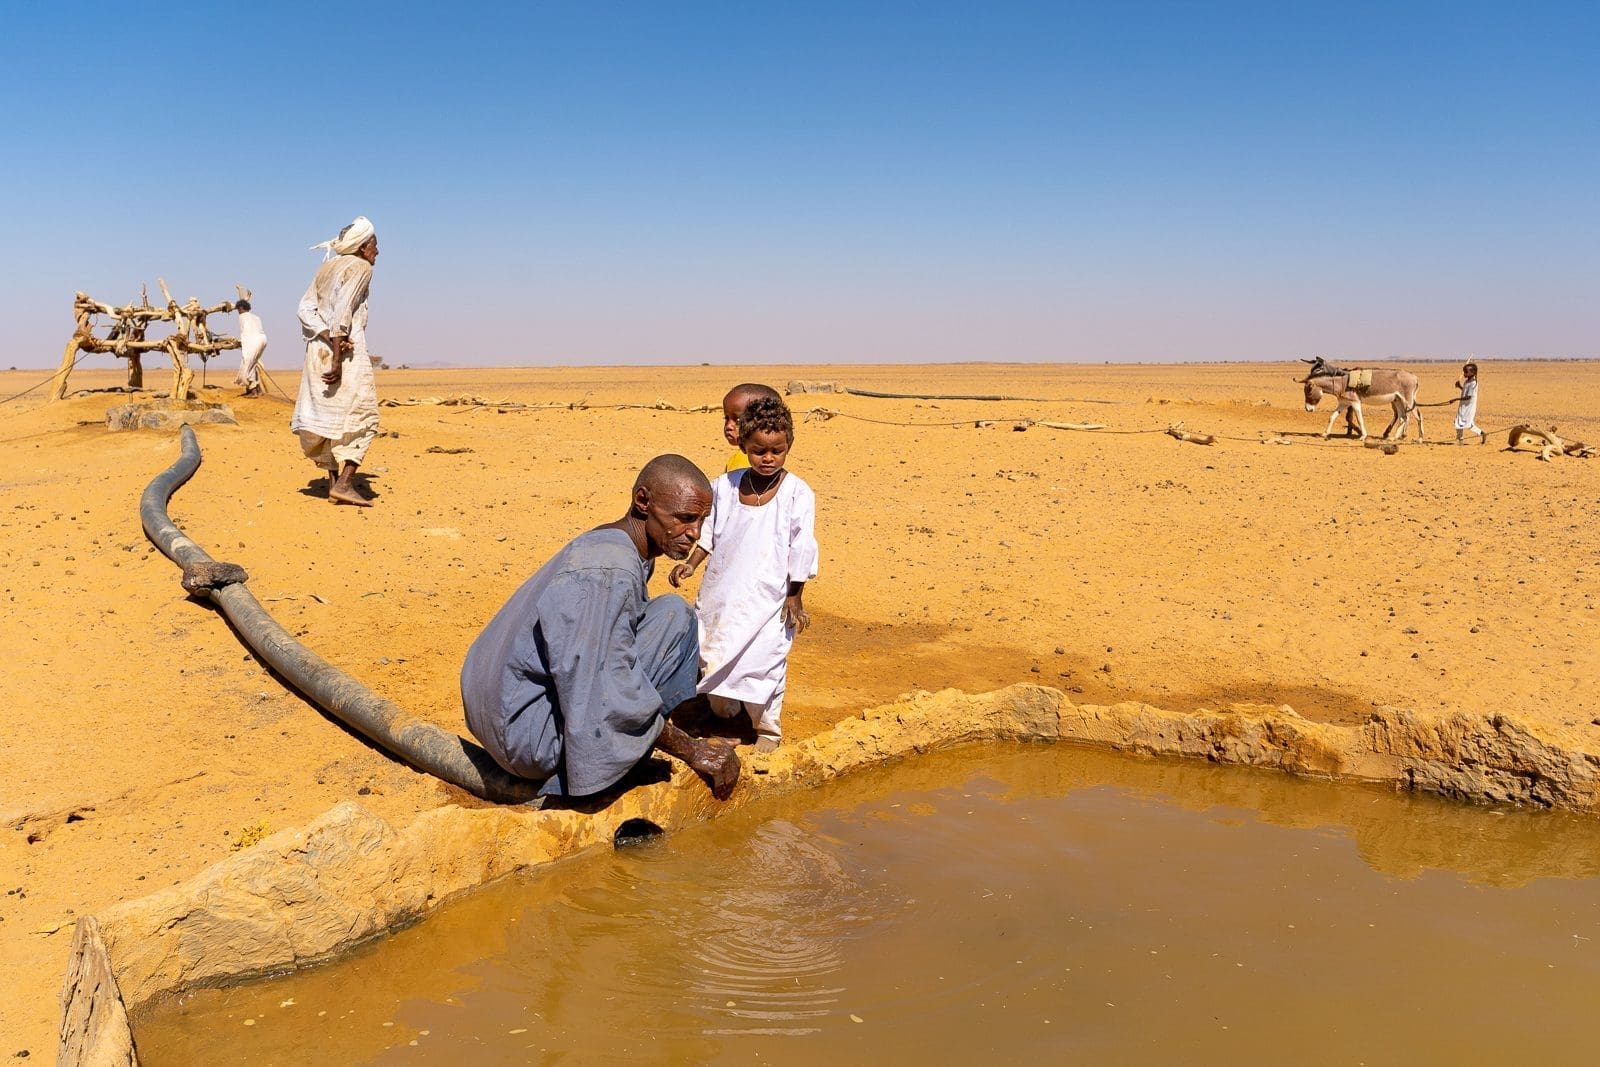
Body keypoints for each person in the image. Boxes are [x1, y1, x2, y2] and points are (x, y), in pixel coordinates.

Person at [462, 455, 741, 799]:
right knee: (673, 625)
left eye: (701, 520)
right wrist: (691, 749)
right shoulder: (610, 573)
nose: (695, 534)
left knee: (673, 613)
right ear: (643, 501)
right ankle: (586, 778)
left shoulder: (616, 542)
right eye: (684, 519)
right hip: (524, 739)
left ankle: (619, 751)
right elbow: (601, 685)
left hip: (499, 712)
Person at [670, 396, 818, 753]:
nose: (768, 459)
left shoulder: (798, 493)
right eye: (758, 451)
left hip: (770, 598)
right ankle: (725, 716)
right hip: (723, 593)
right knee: (713, 653)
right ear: (743, 446)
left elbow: (802, 547)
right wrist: (691, 563)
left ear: (788, 447)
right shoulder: (724, 486)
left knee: (765, 660)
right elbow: (711, 533)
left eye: (777, 451)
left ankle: (766, 728)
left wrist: (795, 594)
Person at [292, 216, 381, 506]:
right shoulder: (361, 267)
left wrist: (322, 336)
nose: (377, 252)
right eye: (375, 245)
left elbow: (304, 309)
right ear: (363, 246)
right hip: (345, 350)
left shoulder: (327, 267)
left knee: (325, 419)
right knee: (365, 415)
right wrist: (338, 356)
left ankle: (333, 484)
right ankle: (344, 483)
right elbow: (343, 311)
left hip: (317, 350)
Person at [719, 383, 784, 472]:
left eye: (738, 421)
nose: (729, 426)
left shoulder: (747, 461)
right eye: (727, 418)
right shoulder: (737, 457)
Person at [234, 297, 267, 397]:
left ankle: (253, 391)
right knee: (252, 364)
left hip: (253, 341)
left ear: (242, 308)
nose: (238, 312)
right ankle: (258, 390)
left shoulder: (242, 316)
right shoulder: (256, 317)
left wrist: (242, 343)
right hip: (263, 339)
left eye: (238, 309)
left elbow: (245, 332)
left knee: (246, 364)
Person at [1454, 362, 1485, 444]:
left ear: (1472, 373)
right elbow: (1465, 392)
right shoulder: (1467, 381)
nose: (1464, 373)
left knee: (1467, 423)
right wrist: (1459, 386)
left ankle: (1482, 433)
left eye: (1466, 372)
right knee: (1458, 421)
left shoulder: (1473, 383)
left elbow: (1469, 396)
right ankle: (1460, 440)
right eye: (1464, 371)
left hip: (1468, 406)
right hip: (1463, 406)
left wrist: (1455, 399)